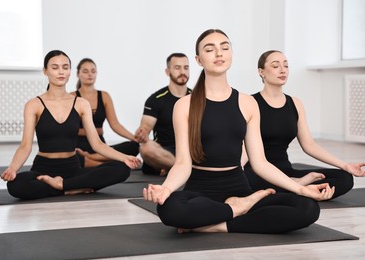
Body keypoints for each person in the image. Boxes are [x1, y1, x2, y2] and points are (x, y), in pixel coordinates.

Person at [143, 29, 334, 234]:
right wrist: (167, 188)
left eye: (224, 47)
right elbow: (182, 163)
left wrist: (301, 189)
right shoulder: (184, 105)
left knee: (307, 208)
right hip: (200, 191)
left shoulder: (247, 103)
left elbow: (260, 162)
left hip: (239, 189)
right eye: (210, 49)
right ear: (199, 60)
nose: (219, 53)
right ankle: (234, 210)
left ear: (231, 55)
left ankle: (218, 225)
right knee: (170, 209)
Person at [0, 50, 141, 200]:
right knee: (15, 185)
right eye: (55, 68)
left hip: (72, 168)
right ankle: (71, 188)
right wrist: (13, 168)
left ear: (69, 72)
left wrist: (124, 158)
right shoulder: (34, 105)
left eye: (65, 67)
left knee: (121, 169)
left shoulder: (81, 104)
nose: (61, 72)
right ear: (45, 71)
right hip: (43, 169)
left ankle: (62, 185)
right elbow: (25, 145)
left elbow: (97, 144)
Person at [243, 50, 365, 199]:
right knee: (247, 183)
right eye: (275, 66)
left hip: (285, 170)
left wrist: (345, 165)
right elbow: (241, 149)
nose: (283, 70)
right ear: (261, 72)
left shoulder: (295, 103)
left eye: (286, 65)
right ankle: (298, 187)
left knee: (345, 178)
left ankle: (296, 187)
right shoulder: (249, 103)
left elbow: (309, 145)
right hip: (257, 173)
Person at [71, 58, 139, 168]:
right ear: (78, 74)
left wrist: (135, 138)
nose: (90, 74)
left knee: (134, 146)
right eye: (85, 71)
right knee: (72, 156)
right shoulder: (71, 97)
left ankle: (91, 159)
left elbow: (115, 125)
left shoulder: (104, 96)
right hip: (78, 144)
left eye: (93, 71)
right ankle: (98, 163)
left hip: (100, 146)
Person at [135, 53, 192, 176]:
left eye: (186, 68)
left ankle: (172, 169)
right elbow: (145, 127)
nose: (182, 71)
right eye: (177, 68)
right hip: (164, 151)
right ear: (167, 71)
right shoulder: (155, 99)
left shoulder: (198, 98)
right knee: (145, 148)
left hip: (191, 150)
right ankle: (183, 169)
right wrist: (142, 133)